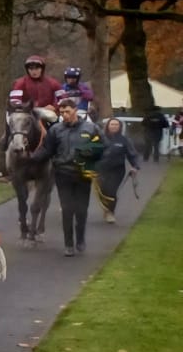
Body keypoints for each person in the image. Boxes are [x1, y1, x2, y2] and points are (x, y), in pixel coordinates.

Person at [33, 97, 103, 255]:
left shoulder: (91, 128)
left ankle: (80, 238)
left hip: (83, 173)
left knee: (81, 210)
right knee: (67, 209)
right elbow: (47, 150)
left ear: (75, 111)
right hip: (63, 173)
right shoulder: (56, 130)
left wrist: (93, 156)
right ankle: (68, 244)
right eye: (62, 112)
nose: (64, 115)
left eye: (67, 111)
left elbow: (102, 146)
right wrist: (31, 159)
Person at [94, 116, 142, 224]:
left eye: (116, 125)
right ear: (108, 126)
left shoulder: (124, 140)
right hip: (100, 169)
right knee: (102, 191)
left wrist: (135, 166)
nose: (114, 126)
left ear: (120, 127)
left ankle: (110, 212)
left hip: (117, 170)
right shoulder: (99, 138)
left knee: (111, 191)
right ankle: (106, 209)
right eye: (112, 124)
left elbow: (132, 154)